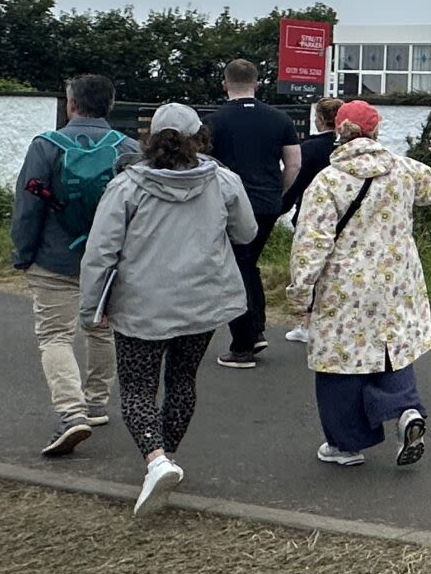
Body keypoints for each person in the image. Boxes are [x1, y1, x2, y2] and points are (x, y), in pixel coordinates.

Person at [73, 103, 257, 516]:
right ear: (200, 138)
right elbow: (246, 231)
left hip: (142, 305)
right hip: (202, 301)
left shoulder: (127, 186)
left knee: (138, 387)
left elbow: (100, 252)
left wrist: (90, 308)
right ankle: (167, 456)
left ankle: (156, 461)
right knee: (182, 381)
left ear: (150, 138)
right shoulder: (222, 181)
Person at [287, 101, 431, 468]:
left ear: (338, 131)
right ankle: (406, 411)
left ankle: (345, 445)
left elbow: (310, 243)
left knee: (340, 362)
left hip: (344, 288)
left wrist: (300, 293)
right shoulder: (402, 169)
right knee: (392, 349)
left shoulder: (329, 180)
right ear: (377, 130)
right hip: (397, 282)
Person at [11, 73, 141, 457]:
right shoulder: (127, 147)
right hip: (108, 260)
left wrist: (22, 253)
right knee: (101, 329)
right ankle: (96, 403)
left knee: (55, 335)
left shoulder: (45, 146)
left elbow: (27, 207)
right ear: (110, 105)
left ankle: (71, 413)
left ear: (71, 104)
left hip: (54, 255)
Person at [205, 58, 298, 368]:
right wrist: (279, 194)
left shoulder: (214, 121)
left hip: (229, 205)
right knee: (248, 264)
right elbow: (294, 163)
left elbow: (203, 166)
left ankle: (244, 343)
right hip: (267, 205)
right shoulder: (280, 119)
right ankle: (254, 329)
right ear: (257, 84)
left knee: (238, 267)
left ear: (224, 84)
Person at [279, 96, 344, 343]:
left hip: (311, 218)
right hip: (344, 221)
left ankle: (308, 323)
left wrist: (279, 208)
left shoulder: (310, 149)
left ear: (318, 119)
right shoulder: (344, 150)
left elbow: (295, 184)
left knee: (311, 271)